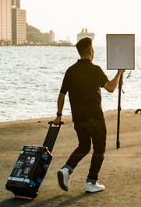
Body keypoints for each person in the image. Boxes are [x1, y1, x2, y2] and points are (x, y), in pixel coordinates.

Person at [53, 37, 124, 193]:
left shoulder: (71, 70)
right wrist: (119, 73)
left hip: (78, 118)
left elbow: (62, 94)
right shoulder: (95, 69)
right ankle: (91, 182)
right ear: (91, 51)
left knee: (84, 146)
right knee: (99, 148)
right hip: (95, 117)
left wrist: (59, 115)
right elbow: (111, 88)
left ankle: (67, 169)